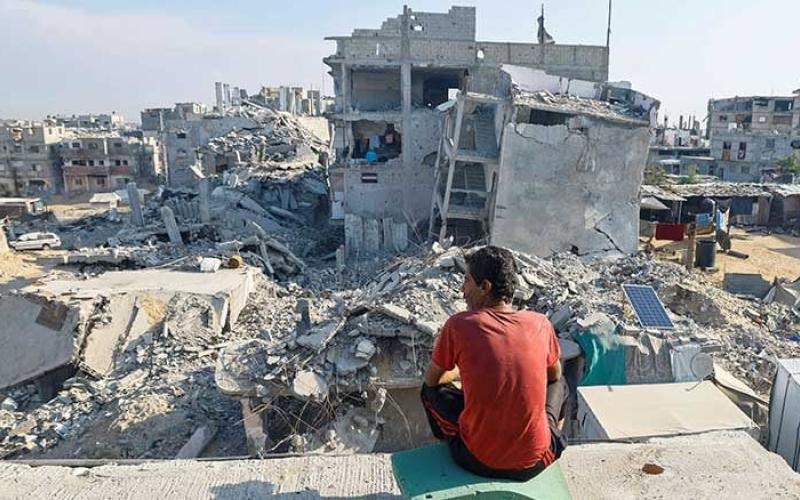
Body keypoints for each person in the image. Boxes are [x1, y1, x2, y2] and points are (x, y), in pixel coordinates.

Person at [420, 246, 568, 481]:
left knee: (429, 392)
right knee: (561, 382)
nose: (462, 290)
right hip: (535, 463)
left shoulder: (459, 325)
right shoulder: (540, 323)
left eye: (467, 281)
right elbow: (554, 375)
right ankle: (549, 434)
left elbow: (432, 380)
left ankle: (454, 439)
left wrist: (459, 373)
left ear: (485, 287)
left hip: (478, 460)